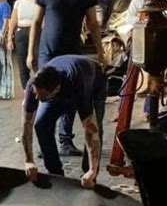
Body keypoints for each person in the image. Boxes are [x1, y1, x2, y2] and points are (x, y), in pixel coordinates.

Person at [26, 0, 105, 157]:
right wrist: (30, 52)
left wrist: (101, 53)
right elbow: (36, 21)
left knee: (71, 98)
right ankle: (46, 141)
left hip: (72, 52)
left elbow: (92, 24)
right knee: (46, 96)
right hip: (47, 53)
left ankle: (65, 140)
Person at [21, 55, 107, 189]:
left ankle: (89, 175)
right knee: (42, 125)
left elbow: (91, 130)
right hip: (61, 84)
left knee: (96, 126)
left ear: (55, 90)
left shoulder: (78, 85)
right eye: (36, 93)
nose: (37, 98)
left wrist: (92, 169)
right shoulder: (34, 86)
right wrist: (29, 161)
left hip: (95, 79)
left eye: (41, 96)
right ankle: (56, 174)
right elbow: (27, 124)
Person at [7, 0, 36, 91]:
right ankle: (26, 91)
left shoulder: (38, 1)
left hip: (35, 32)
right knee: (22, 65)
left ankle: (39, 89)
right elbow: (13, 20)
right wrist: (9, 38)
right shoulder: (18, 2)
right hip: (21, 31)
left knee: (35, 62)